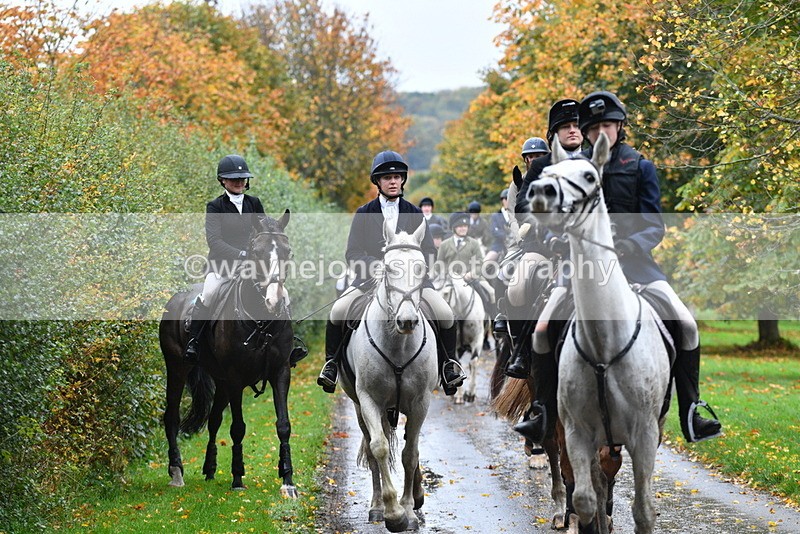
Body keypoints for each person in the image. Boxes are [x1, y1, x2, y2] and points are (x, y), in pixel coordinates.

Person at [514, 91, 722, 444]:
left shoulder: (640, 166)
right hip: (581, 268)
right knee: (542, 329)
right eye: (594, 128)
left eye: (608, 126)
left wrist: (628, 246)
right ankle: (543, 412)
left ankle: (692, 410)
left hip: (637, 266)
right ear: (587, 132)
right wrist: (554, 240)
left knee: (686, 324)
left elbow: (654, 226)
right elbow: (551, 217)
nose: (601, 133)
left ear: (620, 127)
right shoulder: (573, 169)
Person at [317, 150, 466, 395]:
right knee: (338, 310)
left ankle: (449, 366)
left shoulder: (415, 213)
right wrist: (374, 266)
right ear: (377, 181)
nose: (393, 181)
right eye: (387, 178)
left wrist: (415, 271)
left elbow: (430, 250)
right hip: (369, 281)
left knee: (445, 313)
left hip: (413, 283)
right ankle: (331, 365)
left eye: (397, 177)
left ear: (403, 179)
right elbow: (353, 253)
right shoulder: (364, 213)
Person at [499, 99, 585, 379]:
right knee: (517, 288)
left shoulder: (596, 161)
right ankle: (521, 352)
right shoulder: (539, 169)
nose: (572, 130)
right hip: (541, 247)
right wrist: (548, 228)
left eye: (577, 125)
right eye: (565, 126)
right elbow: (523, 207)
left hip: (589, 248)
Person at [184, 154, 266, 361]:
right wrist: (240, 254)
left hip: (252, 267)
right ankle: (194, 342)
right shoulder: (215, 206)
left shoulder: (254, 203)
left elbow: (263, 234)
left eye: (242, 178)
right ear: (223, 180)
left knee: (278, 294)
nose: (239, 182)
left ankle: (284, 345)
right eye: (233, 179)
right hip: (222, 266)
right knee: (209, 294)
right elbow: (214, 241)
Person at [437, 212, 496, 317]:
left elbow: (480, 263)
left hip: (472, 278)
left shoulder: (474, 243)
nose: (463, 229)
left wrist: (471, 273)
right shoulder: (444, 244)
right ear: (454, 228)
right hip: (450, 279)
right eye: (460, 226)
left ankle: (492, 319)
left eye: (465, 226)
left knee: (491, 292)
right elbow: (439, 263)